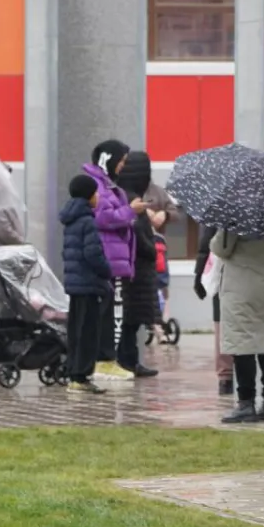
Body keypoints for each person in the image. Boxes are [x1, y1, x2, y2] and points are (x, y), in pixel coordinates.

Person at [214, 227, 264, 424]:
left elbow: (221, 248)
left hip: (242, 289)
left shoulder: (236, 217)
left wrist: (219, 232)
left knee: (242, 344)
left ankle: (246, 402)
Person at [82, 140, 142, 375]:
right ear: (109, 158)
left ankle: (107, 359)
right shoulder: (97, 185)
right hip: (107, 258)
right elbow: (102, 218)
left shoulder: (107, 184)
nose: (123, 166)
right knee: (106, 313)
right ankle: (104, 360)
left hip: (114, 258)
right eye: (121, 161)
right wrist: (130, 211)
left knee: (110, 311)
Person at [60, 174, 113, 394]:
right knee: (88, 331)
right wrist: (106, 271)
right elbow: (93, 253)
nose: (98, 196)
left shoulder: (70, 219)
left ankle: (73, 371)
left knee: (76, 330)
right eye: (95, 192)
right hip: (89, 284)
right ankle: (80, 376)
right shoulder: (87, 221)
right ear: (88, 195)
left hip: (75, 283)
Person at [113, 151, 160, 378]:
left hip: (131, 267)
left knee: (129, 320)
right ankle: (128, 361)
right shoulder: (132, 200)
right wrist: (151, 250)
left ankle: (130, 360)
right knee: (129, 320)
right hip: (135, 269)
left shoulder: (121, 194)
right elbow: (137, 234)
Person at [194, 227, 234, 396]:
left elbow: (207, 243)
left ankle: (226, 377)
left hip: (223, 273)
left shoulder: (219, 206)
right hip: (229, 275)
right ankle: (226, 376)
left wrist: (199, 274)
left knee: (222, 326)